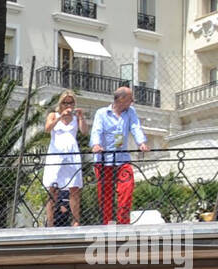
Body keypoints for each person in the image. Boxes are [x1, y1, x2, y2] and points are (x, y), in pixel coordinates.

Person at [90, 87, 149, 225]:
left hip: (122, 159)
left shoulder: (130, 112)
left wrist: (141, 143)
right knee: (106, 197)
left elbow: (135, 127)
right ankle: (108, 225)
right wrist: (96, 145)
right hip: (104, 161)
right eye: (130, 99)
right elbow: (96, 130)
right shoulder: (102, 113)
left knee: (127, 190)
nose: (132, 102)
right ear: (121, 100)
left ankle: (123, 224)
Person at [42, 91, 88, 227]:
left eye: (71, 102)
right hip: (56, 154)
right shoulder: (53, 115)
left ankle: (75, 222)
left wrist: (81, 117)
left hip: (72, 154)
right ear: (60, 103)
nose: (68, 105)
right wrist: (60, 117)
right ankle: (50, 223)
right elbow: (47, 129)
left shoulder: (75, 117)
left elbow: (84, 132)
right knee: (53, 189)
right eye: (65, 102)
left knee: (74, 188)